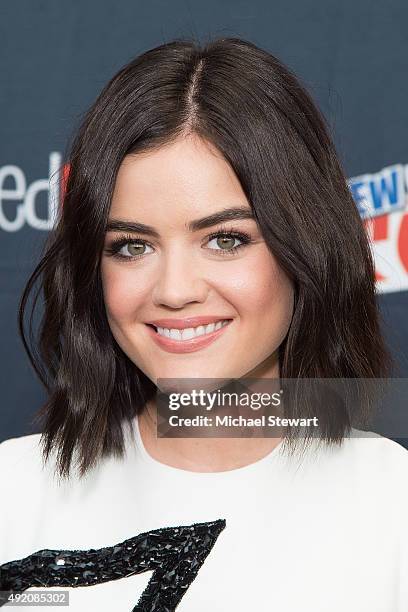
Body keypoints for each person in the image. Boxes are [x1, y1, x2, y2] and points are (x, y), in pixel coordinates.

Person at [0, 36, 407, 611]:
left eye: (225, 239)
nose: (173, 291)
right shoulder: (12, 494)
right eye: (132, 246)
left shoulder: (394, 503)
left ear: (306, 247)